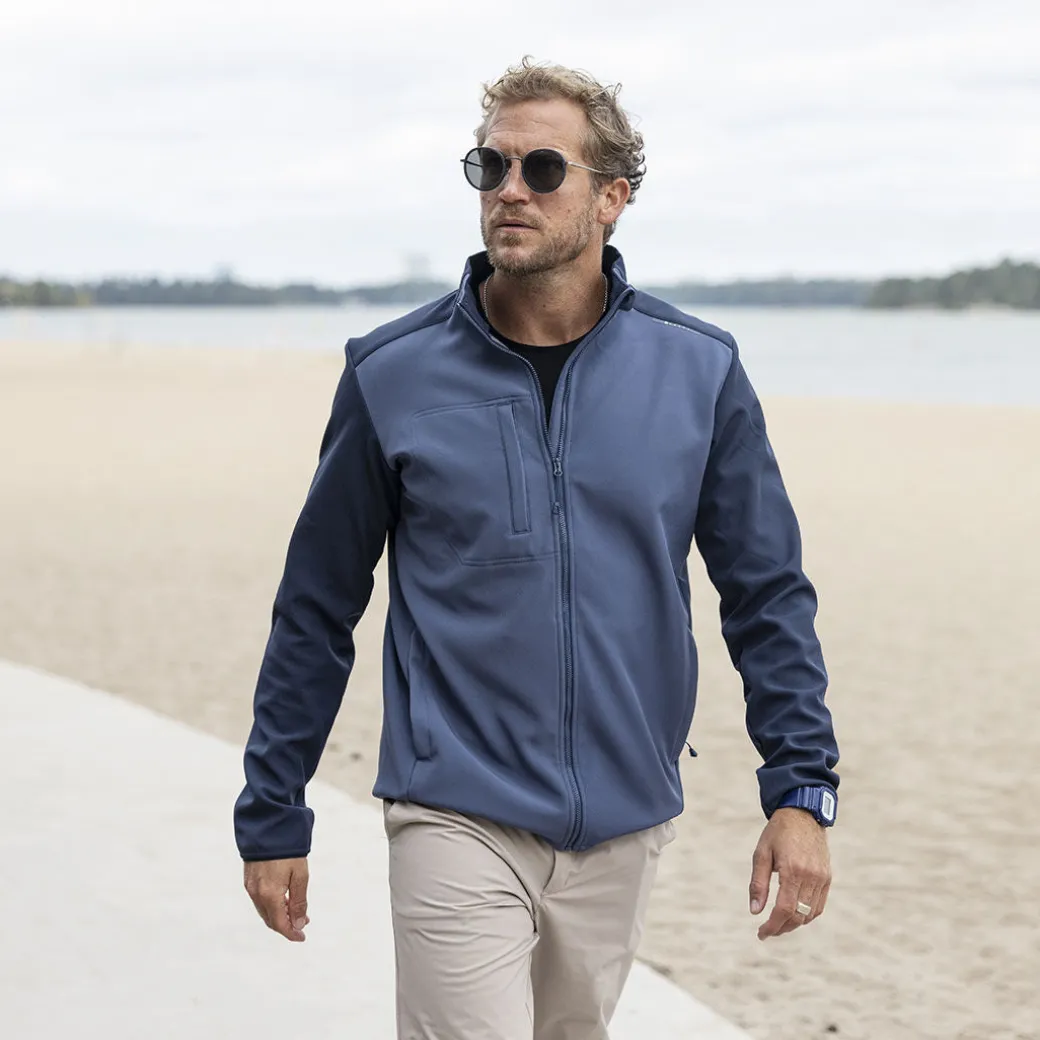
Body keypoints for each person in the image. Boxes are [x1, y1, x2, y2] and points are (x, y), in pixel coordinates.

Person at [234, 57, 840, 1040]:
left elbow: (765, 593)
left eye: (542, 168)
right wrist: (273, 804)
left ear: (612, 197)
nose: (510, 189)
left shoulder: (698, 370)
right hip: (453, 805)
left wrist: (800, 789)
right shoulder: (392, 373)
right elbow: (316, 603)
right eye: (491, 166)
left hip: (627, 815)